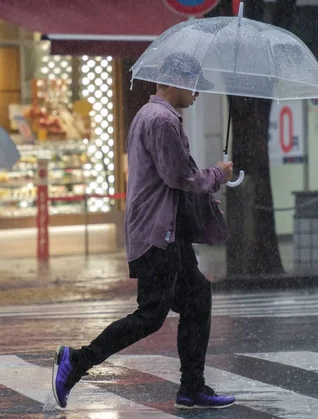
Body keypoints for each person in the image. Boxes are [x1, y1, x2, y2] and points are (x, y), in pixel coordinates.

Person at [52, 53, 235, 410]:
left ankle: (191, 388)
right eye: (194, 85)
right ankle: (76, 362)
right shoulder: (162, 120)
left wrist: (202, 206)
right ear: (177, 82)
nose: (197, 93)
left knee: (197, 298)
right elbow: (178, 177)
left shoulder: (150, 117)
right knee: (151, 315)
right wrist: (217, 175)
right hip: (158, 237)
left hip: (166, 234)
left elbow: (166, 184)